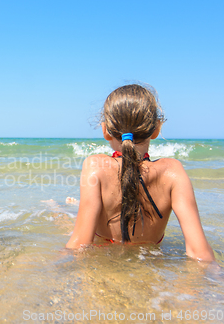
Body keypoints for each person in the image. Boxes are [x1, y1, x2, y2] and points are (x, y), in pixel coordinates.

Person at [66, 84, 215, 262]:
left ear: (105, 130)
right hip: (151, 272)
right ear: (156, 129)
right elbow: (200, 253)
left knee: (65, 219)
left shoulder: (95, 165)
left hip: (106, 262)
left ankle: (62, 207)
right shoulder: (173, 172)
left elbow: (80, 244)